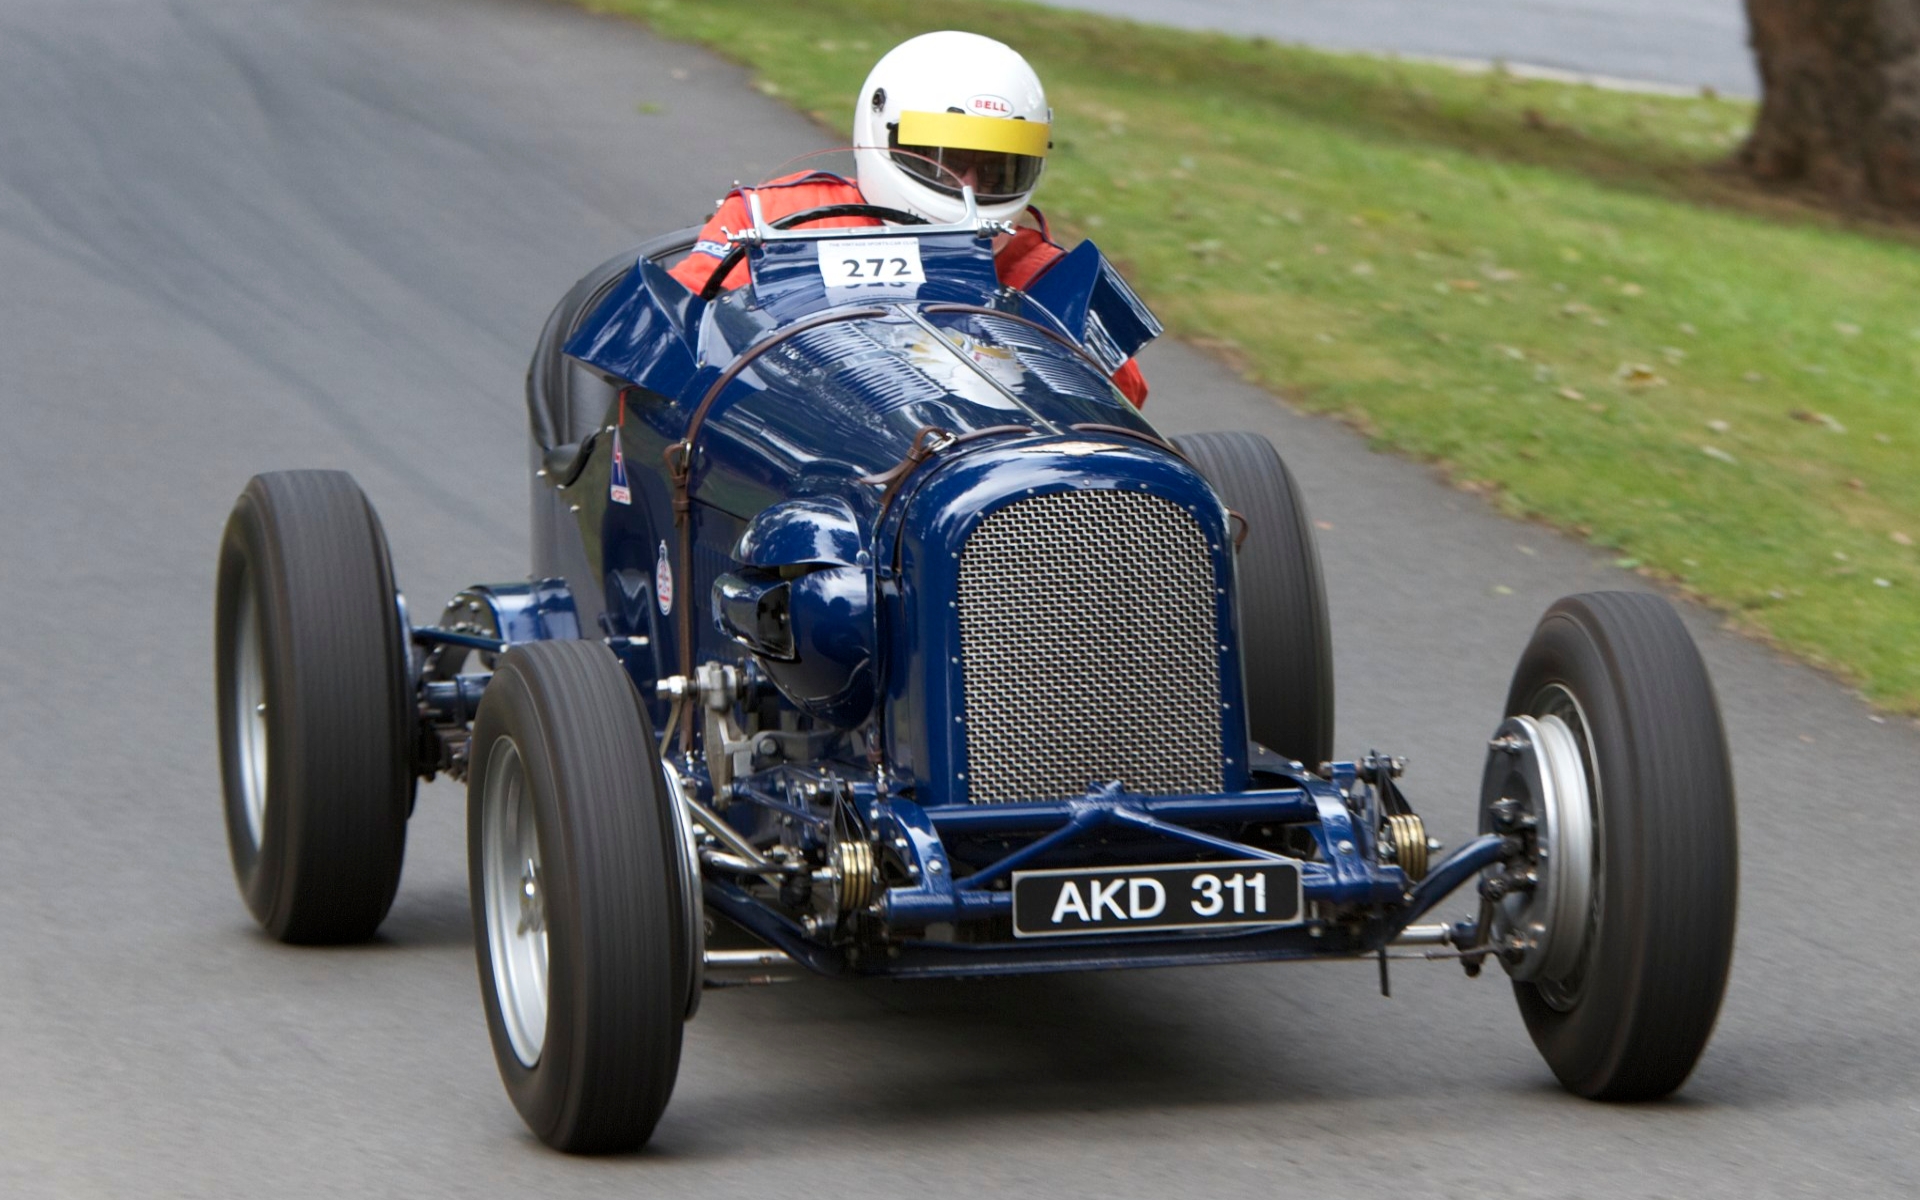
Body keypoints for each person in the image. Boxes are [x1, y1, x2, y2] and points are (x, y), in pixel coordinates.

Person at [668, 30, 1148, 407]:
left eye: (999, 168)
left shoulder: (1049, 277)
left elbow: (1115, 412)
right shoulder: (777, 220)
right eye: (945, 158)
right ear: (881, 134)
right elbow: (669, 348)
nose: (970, 187)